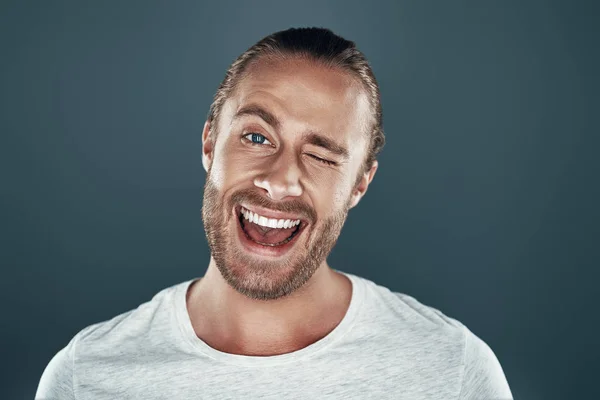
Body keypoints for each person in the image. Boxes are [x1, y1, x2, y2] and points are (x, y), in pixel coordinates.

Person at [36, 27, 513, 399]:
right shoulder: (85, 377)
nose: (281, 180)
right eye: (257, 137)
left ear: (360, 185)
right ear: (209, 143)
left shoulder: (452, 371)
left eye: (322, 156)